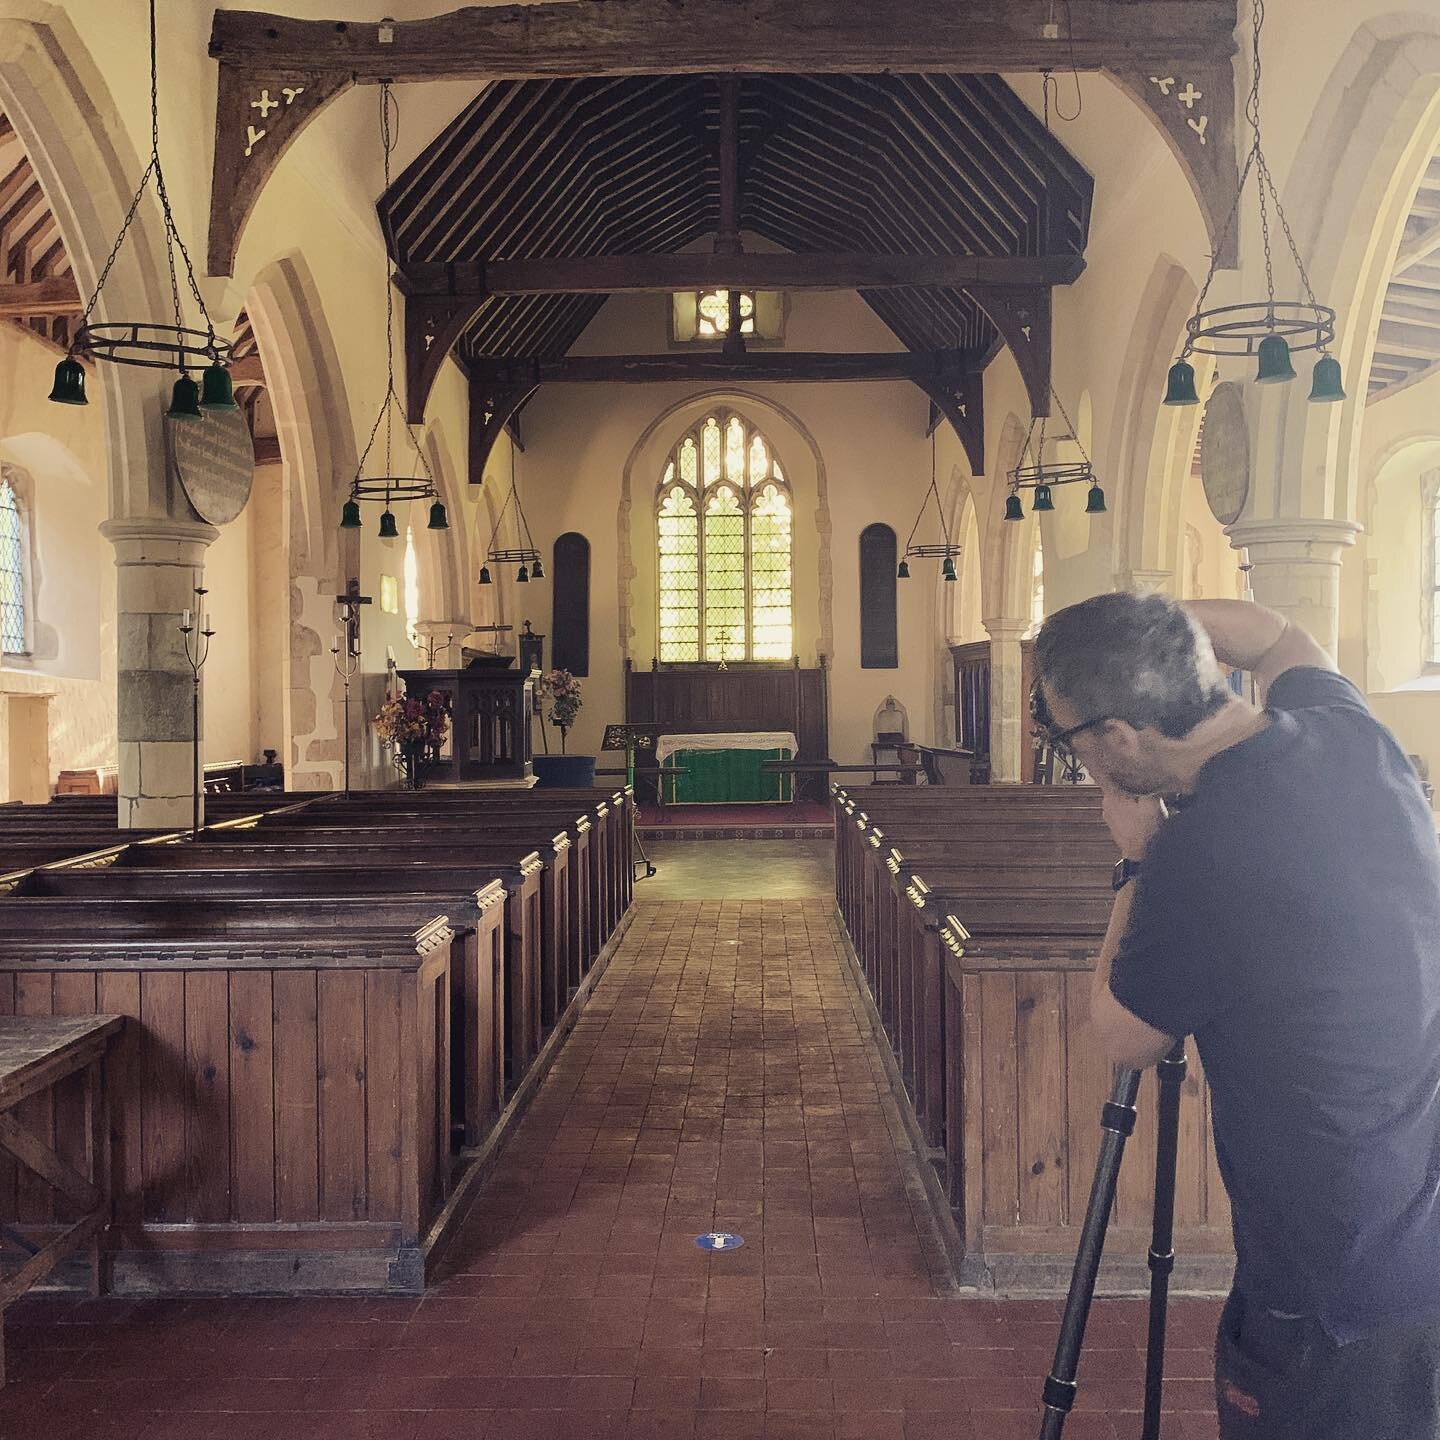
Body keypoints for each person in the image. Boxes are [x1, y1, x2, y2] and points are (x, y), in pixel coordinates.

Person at [1032, 591, 1440, 1440]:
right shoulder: (1348, 734)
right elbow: (1280, 634)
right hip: (1417, 1212)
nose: (1083, 765)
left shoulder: (1200, 853)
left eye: (1073, 743)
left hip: (1328, 1269)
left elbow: (1122, 1035)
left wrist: (1137, 861)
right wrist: (1149, 625)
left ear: (1116, 737)